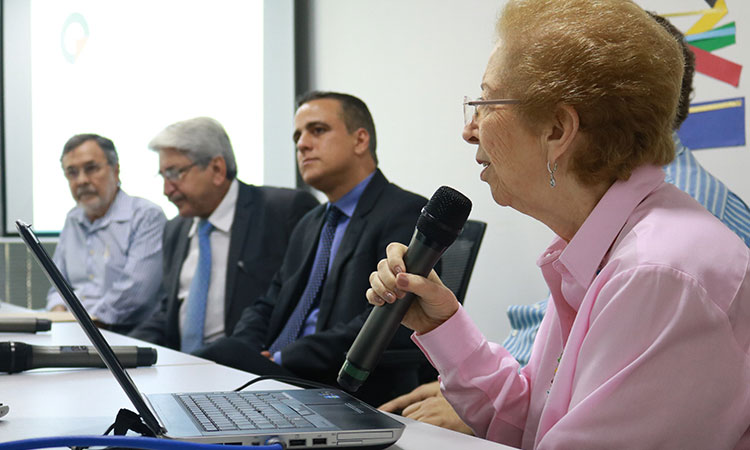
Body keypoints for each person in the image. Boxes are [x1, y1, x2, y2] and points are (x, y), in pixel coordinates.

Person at [368, 0, 750, 448]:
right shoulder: (607, 240)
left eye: (486, 103)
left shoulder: (659, 272)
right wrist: (442, 323)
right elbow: (532, 424)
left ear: (557, 130)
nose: (470, 130)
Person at [195, 92, 430, 406]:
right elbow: (269, 303)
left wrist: (283, 356)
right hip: (279, 374)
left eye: (317, 130)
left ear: (360, 140)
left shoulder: (405, 212)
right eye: (297, 136)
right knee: (225, 355)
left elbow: (389, 321)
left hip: (340, 384)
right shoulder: (310, 222)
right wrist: (245, 349)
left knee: (212, 361)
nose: (302, 144)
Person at [129, 117, 318, 351]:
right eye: (163, 176)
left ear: (217, 169)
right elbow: (169, 313)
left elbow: (299, 303)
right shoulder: (175, 229)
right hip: (182, 370)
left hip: (249, 371)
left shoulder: (283, 211)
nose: (166, 190)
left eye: (175, 173)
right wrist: (118, 351)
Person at [48, 134, 166, 332]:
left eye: (91, 168)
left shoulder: (146, 216)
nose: (82, 180)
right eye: (72, 173)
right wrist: (57, 313)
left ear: (116, 170)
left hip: (125, 331)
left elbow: (136, 293)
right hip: (75, 328)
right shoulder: (73, 218)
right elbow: (57, 283)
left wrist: (80, 325)